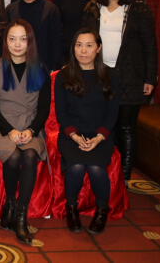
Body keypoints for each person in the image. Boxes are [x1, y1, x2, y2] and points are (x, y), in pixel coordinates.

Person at [82, 0, 157, 183]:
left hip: (130, 77)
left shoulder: (139, 8)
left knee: (125, 128)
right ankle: (105, 173)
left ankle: (123, 179)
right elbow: (84, 41)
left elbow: (150, 45)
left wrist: (150, 78)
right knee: (103, 126)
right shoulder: (92, 7)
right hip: (99, 75)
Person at [0, 19, 51, 245]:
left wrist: (31, 130)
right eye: (12, 39)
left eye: (23, 39)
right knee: (12, 156)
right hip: (0, 125)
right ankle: (10, 204)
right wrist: (10, 130)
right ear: (6, 42)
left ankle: (20, 217)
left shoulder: (40, 68)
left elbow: (44, 108)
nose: (17, 44)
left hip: (31, 125)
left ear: (30, 41)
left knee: (29, 155)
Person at [55, 28, 120, 235]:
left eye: (89, 45)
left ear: (98, 48)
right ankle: (71, 209)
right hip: (71, 136)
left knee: (95, 168)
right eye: (79, 45)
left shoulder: (110, 75)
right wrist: (74, 136)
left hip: (101, 136)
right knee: (75, 167)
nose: (83, 50)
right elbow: (61, 113)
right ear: (73, 48)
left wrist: (99, 137)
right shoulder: (63, 75)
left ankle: (102, 211)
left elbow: (112, 113)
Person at [6, 0, 62, 71]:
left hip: (43, 66)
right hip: (16, 65)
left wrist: (55, 67)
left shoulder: (50, 9)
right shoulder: (11, 9)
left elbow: (56, 41)